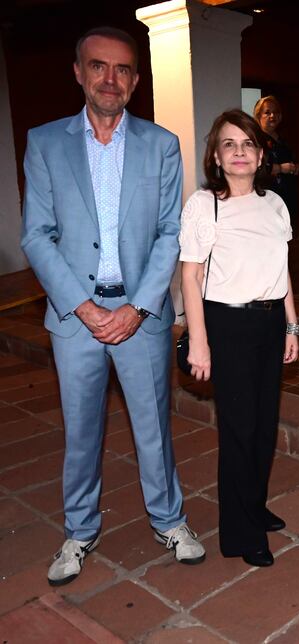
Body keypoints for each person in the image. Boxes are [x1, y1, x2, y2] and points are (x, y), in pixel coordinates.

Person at [20, 26, 205, 586]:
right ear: (79, 72)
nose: (109, 78)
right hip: (75, 320)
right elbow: (36, 236)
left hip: (140, 318)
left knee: (153, 427)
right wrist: (81, 306)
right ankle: (79, 531)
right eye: (98, 66)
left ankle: (169, 520)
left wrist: (140, 307)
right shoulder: (45, 141)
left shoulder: (161, 144)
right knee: (81, 432)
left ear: (135, 81)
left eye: (122, 69)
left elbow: (171, 232)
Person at [179, 109, 299, 567]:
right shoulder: (204, 205)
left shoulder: (275, 204)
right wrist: (199, 342)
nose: (240, 152)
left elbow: (280, 268)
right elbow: (191, 278)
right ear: (216, 154)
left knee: (264, 426)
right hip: (226, 326)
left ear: (261, 151)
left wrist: (290, 324)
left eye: (248, 143)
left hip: (269, 324)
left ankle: (253, 505)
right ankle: (238, 532)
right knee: (238, 430)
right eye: (229, 144)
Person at [253, 96, 299, 231]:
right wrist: (280, 168)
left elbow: (290, 161)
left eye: (276, 112)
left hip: (285, 196)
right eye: (267, 112)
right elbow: (255, 167)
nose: (272, 116)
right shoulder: (255, 140)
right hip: (265, 197)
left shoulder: (282, 141)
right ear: (258, 116)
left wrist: (295, 167)